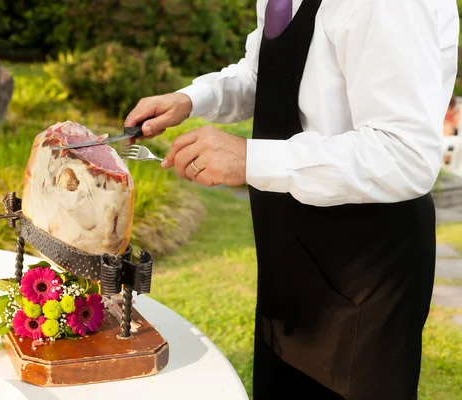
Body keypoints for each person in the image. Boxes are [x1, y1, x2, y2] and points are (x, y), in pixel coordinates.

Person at [124, 0, 459, 399]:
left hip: (364, 269)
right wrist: (192, 99)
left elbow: (406, 154)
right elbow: (262, 73)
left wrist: (249, 158)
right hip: (291, 251)